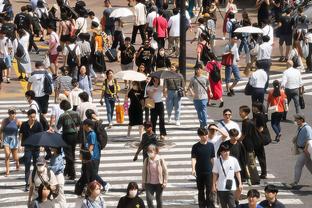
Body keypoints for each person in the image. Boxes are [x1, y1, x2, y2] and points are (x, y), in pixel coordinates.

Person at [219, 128, 247, 204]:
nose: (235, 138)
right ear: (230, 136)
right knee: (227, 185)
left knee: (239, 186)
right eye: (233, 136)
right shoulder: (224, 145)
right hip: (227, 168)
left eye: (236, 136)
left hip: (238, 168)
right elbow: (219, 155)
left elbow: (243, 157)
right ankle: (228, 200)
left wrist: (245, 168)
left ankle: (236, 200)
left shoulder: (239, 145)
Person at [20, 109, 43, 191]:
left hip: (36, 148)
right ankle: (27, 183)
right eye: (31, 117)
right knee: (27, 165)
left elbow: (41, 135)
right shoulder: (24, 124)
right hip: (27, 147)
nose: (33, 118)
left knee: (36, 166)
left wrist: (41, 145)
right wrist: (21, 145)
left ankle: (34, 182)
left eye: (34, 117)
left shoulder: (38, 125)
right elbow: (21, 135)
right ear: (28, 116)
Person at [57, 100, 81, 180]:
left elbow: (58, 127)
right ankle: (67, 171)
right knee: (72, 153)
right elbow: (79, 124)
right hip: (75, 135)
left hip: (66, 136)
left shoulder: (62, 116)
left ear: (62, 107)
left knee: (68, 155)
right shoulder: (76, 113)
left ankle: (72, 173)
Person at [212, 144, 242, 208]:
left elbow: (237, 172)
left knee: (232, 204)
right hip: (221, 187)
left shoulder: (234, 160)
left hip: (231, 186)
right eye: (224, 151)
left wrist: (240, 183)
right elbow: (215, 174)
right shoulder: (217, 161)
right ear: (221, 152)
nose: (226, 153)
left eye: (227, 151)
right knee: (223, 205)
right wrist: (213, 185)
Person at [191, 127, 215, 208]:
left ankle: (210, 206)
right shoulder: (195, 146)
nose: (205, 136)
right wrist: (193, 169)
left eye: (206, 135)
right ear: (199, 136)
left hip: (209, 172)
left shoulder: (211, 145)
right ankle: (202, 206)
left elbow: (212, 158)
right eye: (203, 135)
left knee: (209, 191)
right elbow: (193, 158)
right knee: (200, 191)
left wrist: (215, 169)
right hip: (199, 172)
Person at [286, 113, 312, 189]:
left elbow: (309, 139)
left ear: (301, 120)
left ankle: (295, 182)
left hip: (305, 150)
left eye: (296, 120)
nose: (295, 121)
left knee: (298, 165)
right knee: (309, 166)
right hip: (303, 149)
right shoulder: (301, 127)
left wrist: (305, 149)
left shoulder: (307, 128)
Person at [239, 105, 260, 185]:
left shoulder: (246, 122)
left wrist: (238, 140)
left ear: (246, 113)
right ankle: (251, 177)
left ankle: (255, 179)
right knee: (249, 162)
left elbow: (244, 135)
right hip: (248, 144)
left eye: (241, 111)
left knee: (251, 162)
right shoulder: (247, 121)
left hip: (249, 145)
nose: (240, 113)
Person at [0, 108, 21, 176]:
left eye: (14, 113)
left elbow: (21, 132)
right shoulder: (5, 121)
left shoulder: (18, 121)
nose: (13, 115)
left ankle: (17, 162)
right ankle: (7, 171)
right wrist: (1, 140)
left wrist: (20, 142)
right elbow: (1, 130)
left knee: (15, 157)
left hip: (14, 139)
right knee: (7, 154)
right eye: (11, 113)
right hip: (6, 139)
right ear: (9, 114)